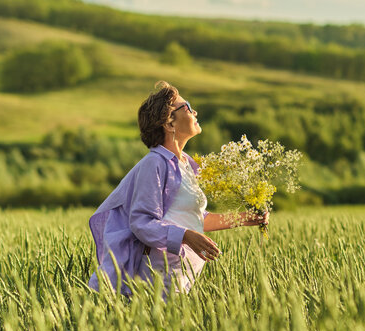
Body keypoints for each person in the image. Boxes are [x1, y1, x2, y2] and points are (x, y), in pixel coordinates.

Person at [88, 81, 268, 296]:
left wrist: (244, 218)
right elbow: (142, 222)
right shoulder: (154, 163)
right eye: (187, 107)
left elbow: (194, 218)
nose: (195, 111)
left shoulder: (185, 165)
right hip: (155, 272)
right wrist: (185, 236)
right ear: (169, 123)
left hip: (178, 272)